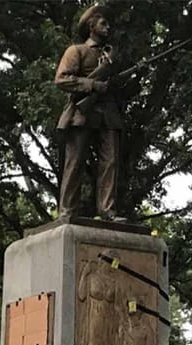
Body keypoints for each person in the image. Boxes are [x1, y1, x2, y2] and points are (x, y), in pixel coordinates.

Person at [54, 5, 126, 222]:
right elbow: (62, 79)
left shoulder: (110, 56)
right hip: (83, 113)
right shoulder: (76, 51)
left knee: (110, 162)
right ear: (91, 26)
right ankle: (67, 211)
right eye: (103, 23)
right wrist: (92, 85)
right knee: (74, 163)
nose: (108, 27)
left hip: (108, 114)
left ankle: (107, 211)